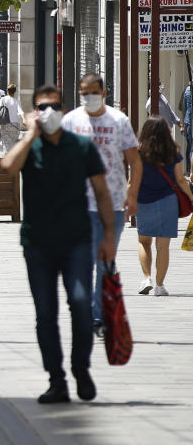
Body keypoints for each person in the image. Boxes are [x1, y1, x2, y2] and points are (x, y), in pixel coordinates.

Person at [1, 84, 116, 404]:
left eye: (53, 105)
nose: (47, 111)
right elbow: (8, 166)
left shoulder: (80, 146)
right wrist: (30, 135)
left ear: (62, 111)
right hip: (37, 244)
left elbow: (103, 193)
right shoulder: (30, 146)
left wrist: (108, 237)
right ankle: (57, 380)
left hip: (77, 241)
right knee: (45, 314)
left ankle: (81, 368)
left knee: (80, 307)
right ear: (35, 111)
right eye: (41, 106)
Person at [61, 73, 141, 334]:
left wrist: (132, 194)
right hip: (78, 204)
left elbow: (135, 161)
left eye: (94, 91)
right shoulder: (71, 121)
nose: (88, 97)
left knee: (105, 261)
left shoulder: (119, 121)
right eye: (84, 92)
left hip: (112, 205)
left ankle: (99, 317)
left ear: (104, 93)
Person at [134, 116, 191, 297]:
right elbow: (181, 179)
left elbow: (132, 179)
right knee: (163, 246)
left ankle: (146, 278)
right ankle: (159, 285)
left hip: (143, 200)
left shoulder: (138, 152)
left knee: (144, 242)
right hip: (168, 202)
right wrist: (191, 196)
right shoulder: (174, 152)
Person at [0, 84, 24, 152]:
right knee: (14, 145)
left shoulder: (3, 99)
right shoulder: (17, 101)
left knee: (6, 145)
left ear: (7, 91)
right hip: (15, 126)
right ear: (15, 91)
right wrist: (24, 119)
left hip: (6, 124)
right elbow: (20, 111)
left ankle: (7, 159)